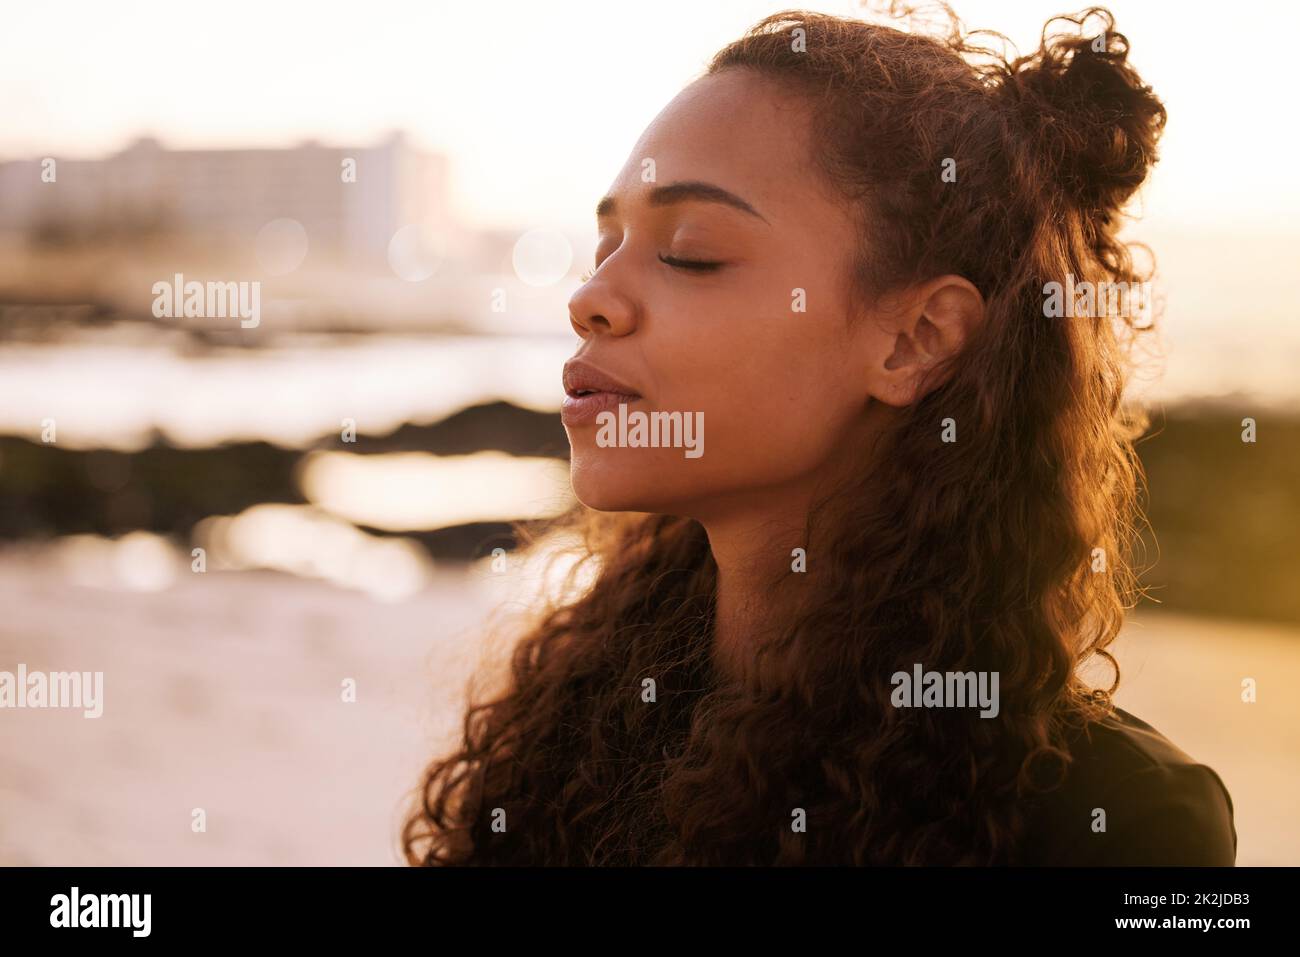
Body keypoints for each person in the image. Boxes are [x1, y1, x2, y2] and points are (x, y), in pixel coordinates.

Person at [403, 5, 1236, 865]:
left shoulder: (1126, 825)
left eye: (690, 252)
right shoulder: (581, 721)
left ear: (916, 340)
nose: (590, 299)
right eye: (606, 245)